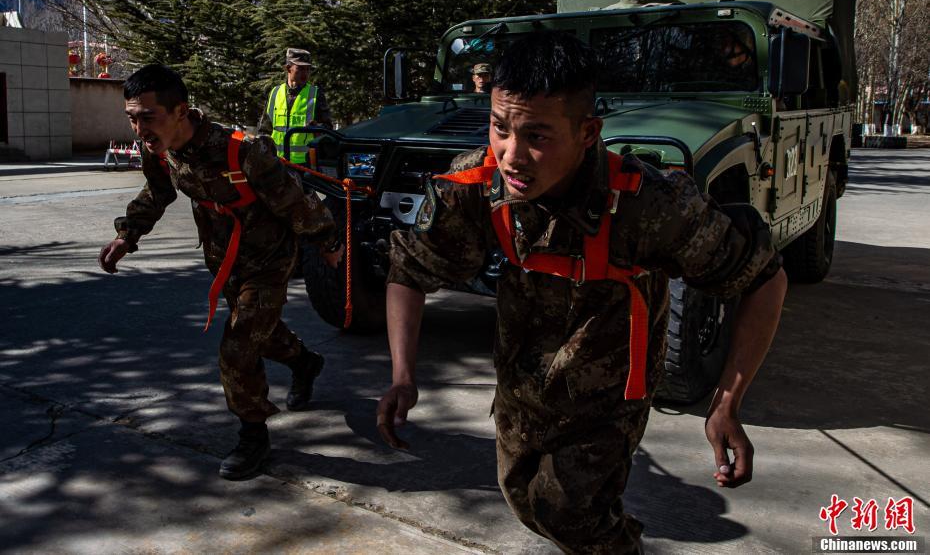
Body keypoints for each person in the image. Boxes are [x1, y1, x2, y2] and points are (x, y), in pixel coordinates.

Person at [376, 32, 787, 553]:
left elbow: (765, 278)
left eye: (538, 136)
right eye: (500, 128)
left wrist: (727, 403)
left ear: (588, 132)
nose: (512, 156)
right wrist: (402, 376)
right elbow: (409, 270)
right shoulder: (476, 186)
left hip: (608, 399)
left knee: (570, 512)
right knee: (525, 497)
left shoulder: (650, 207)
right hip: (523, 388)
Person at [98, 65, 345, 480]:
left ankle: (253, 436)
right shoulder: (158, 147)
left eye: (148, 116)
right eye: (132, 118)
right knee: (258, 331)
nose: (139, 128)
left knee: (238, 344)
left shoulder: (242, 151)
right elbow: (157, 192)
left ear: (181, 110)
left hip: (268, 258)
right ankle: (305, 362)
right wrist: (128, 235)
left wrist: (328, 244)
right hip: (223, 257)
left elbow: (295, 201)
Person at [258, 47, 334, 165]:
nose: (305, 74)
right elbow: (265, 130)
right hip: (276, 163)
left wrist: (317, 127)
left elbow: (328, 129)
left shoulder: (316, 94)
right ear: (288, 68)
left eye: (308, 69)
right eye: (300, 69)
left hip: (304, 164)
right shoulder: (275, 93)